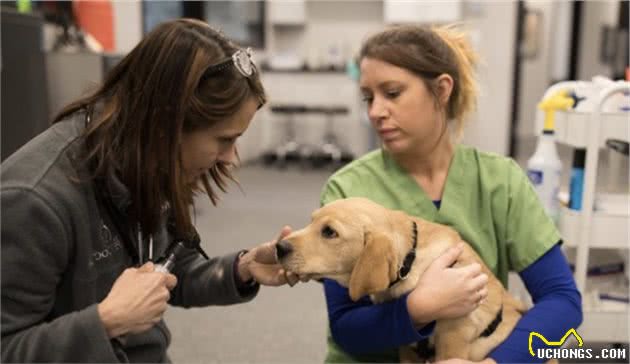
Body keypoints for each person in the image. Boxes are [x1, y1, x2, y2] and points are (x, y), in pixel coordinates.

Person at [1, 18, 295, 363]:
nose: (230, 159)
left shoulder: (142, 159)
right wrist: (106, 322)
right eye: (224, 139)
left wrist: (242, 269)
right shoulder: (34, 201)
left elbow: (166, 272)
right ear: (169, 123)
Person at [320, 25, 582, 363]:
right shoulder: (349, 190)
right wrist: (417, 308)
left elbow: (562, 300)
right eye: (369, 98)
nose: (375, 111)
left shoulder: (498, 182)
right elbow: (346, 328)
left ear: (442, 90)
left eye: (393, 93)